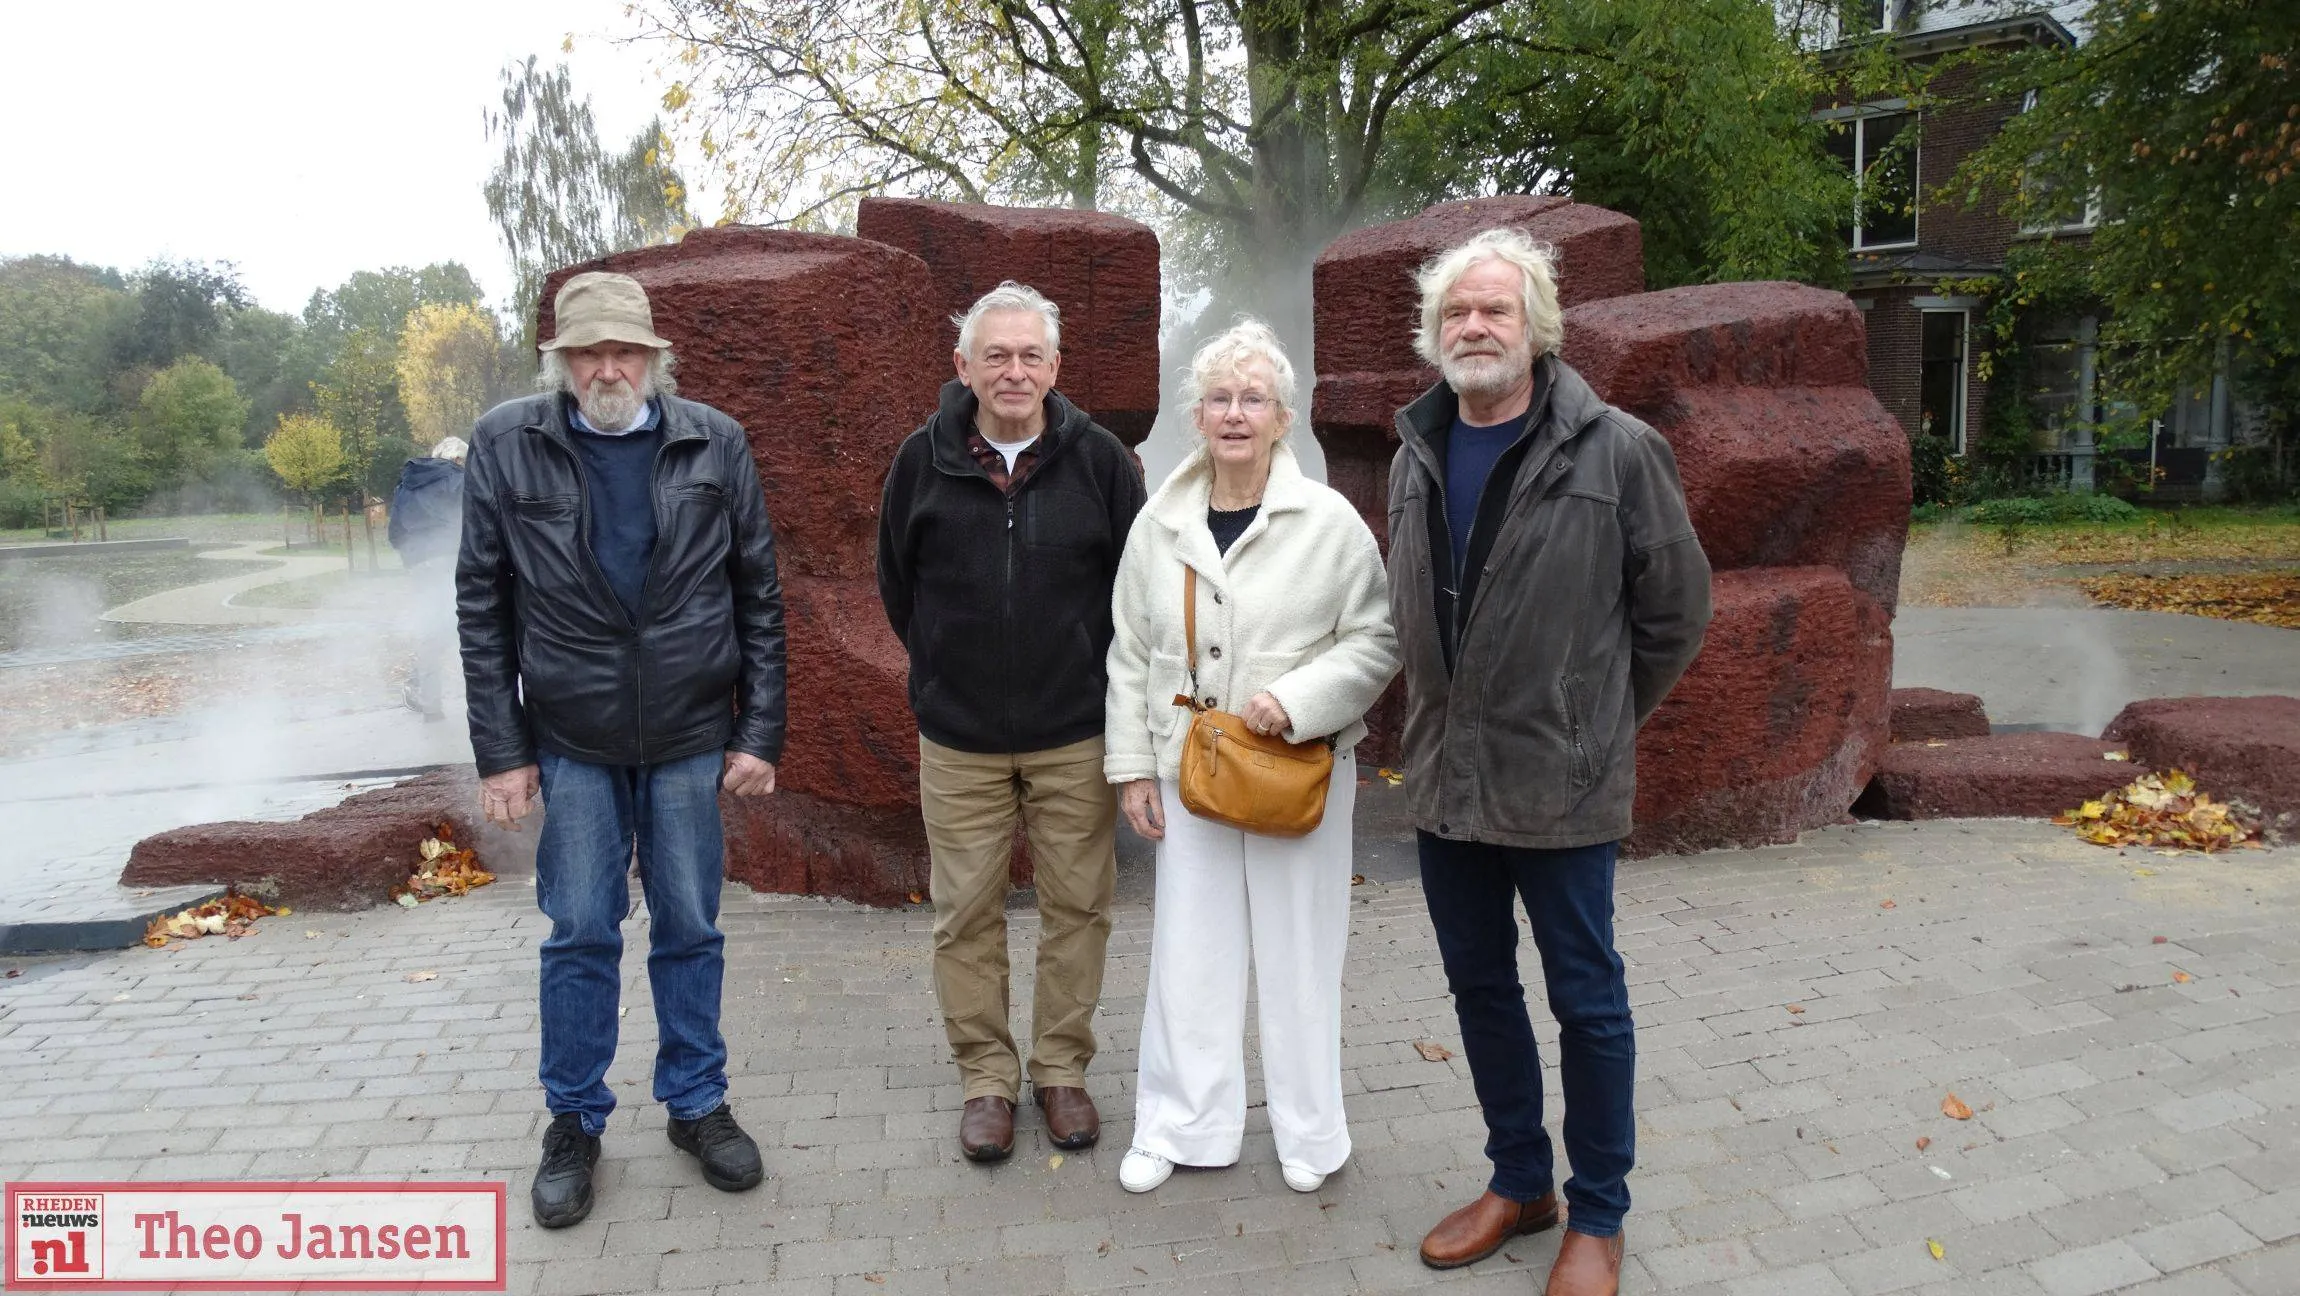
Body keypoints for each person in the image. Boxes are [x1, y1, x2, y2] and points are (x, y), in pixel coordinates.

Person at [1387, 229, 1710, 1296]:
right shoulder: (1415, 449)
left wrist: (1592, 721)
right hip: (1447, 783)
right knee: (1480, 988)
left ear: (1538, 327)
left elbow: (1675, 612)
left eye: (1495, 309)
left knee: (1586, 1002)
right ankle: (1520, 1183)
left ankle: (1598, 1214)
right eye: (1456, 312)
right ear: (1434, 333)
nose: (1474, 327)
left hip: (1561, 785)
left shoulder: (1617, 450)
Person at [457, 271, 788, 1229]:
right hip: (572, 736)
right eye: (589, 353)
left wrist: (758, 730)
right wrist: (501, 751)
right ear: (561, 362)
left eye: (625, 352)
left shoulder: (714, 441)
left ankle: (696, 1103)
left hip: (688, 731)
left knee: (690, 925)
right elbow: (482, 603)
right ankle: (573, 1121)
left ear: (654, 359)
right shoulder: (506, 442)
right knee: (580, 931)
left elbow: (758, 594)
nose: (609, 369)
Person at [1103, 318, 1399, 1196]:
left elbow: (1377, 640)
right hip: (1186, 771)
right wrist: (1131, 767)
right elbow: (1129, 651)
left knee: (1300, 954)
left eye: (1254, 399)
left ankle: (1311, 1136)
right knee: (1189, 953)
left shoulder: (1330, 523)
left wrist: (1299, 701)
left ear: (1283, 417)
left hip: (1296, 772)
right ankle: (1181, 1126)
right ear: (1197, 416)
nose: (1235, 414)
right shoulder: (1159, 524)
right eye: (1220, 399)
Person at [876, 281, 1147, 1163]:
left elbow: (1135, 591)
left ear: (1056, 366)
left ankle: (1061, 1070)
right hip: (959, 741)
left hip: (1075, 733)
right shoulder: (920, 461)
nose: (1014, 371)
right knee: (965, 916)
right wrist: (945, 669)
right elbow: (897, 586)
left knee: (1080, 907)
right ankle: (986, 1081)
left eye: (1031, 355)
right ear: (964, 366)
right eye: (996, 355)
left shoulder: (1101, 461)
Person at [388, 436, 467, 719]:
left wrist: (412, 556)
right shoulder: (460, 480)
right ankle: (485, 703)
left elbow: (395, 531)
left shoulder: (407, 484)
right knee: (464, 623)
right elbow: (475, 522)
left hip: (419, 564)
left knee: (431, 627)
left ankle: (429, 702)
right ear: (457, 459)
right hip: (452, 559)